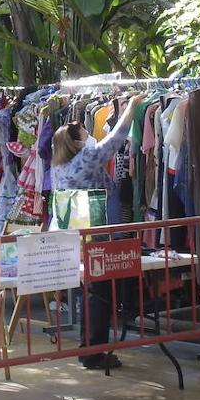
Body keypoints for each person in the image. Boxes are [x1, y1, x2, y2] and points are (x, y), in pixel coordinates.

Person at [51, 93, 146, 369]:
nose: (88, 136)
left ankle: (90, 347)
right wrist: (130, 107)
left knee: (90, 292)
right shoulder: (86, 159)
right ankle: (93, 350)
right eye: (84, 133)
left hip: (72, 233)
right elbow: (115, 139)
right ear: (76, 141)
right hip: (93, 233)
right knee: (99, 293)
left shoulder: (58, 166)